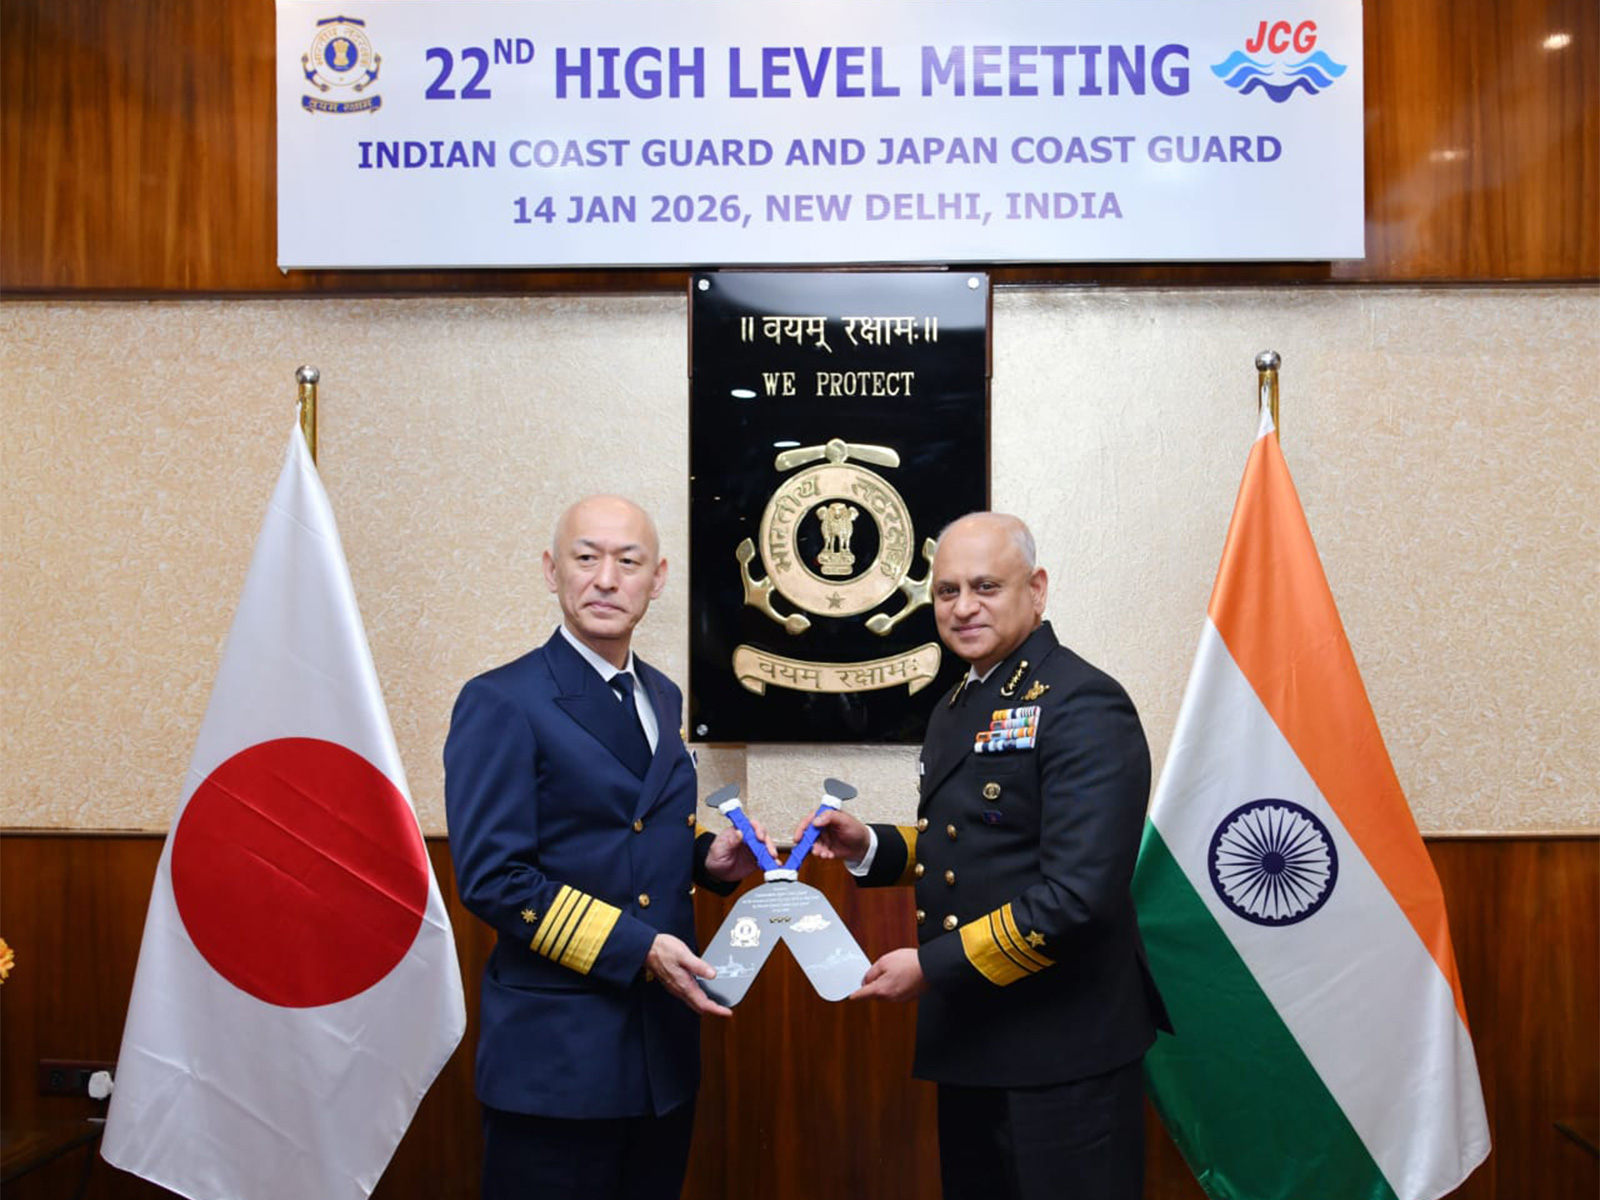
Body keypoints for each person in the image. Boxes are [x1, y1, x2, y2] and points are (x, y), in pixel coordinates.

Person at [799, 512, 1171, 1200]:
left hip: (1064, 1052)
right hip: (976, 1041)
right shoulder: (960, 701)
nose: (963, 607)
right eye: (946, 592)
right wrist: (871, 845)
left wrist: (931, 968)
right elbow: (968, 843)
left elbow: (1078, 896)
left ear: (1037, 590)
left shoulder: (1082, 702)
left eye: (985, 587)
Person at [445, 494, 770, 1200]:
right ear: (550, 570)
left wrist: (706, 859)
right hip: (557, 1061)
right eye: (585, 557)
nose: (605, 578)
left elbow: (629, 828)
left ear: (656, 579)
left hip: (661, 1055)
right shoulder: (503, 700)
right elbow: (495, 878)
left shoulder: (662, 695)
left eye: (628, 562)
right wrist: (639, 948)